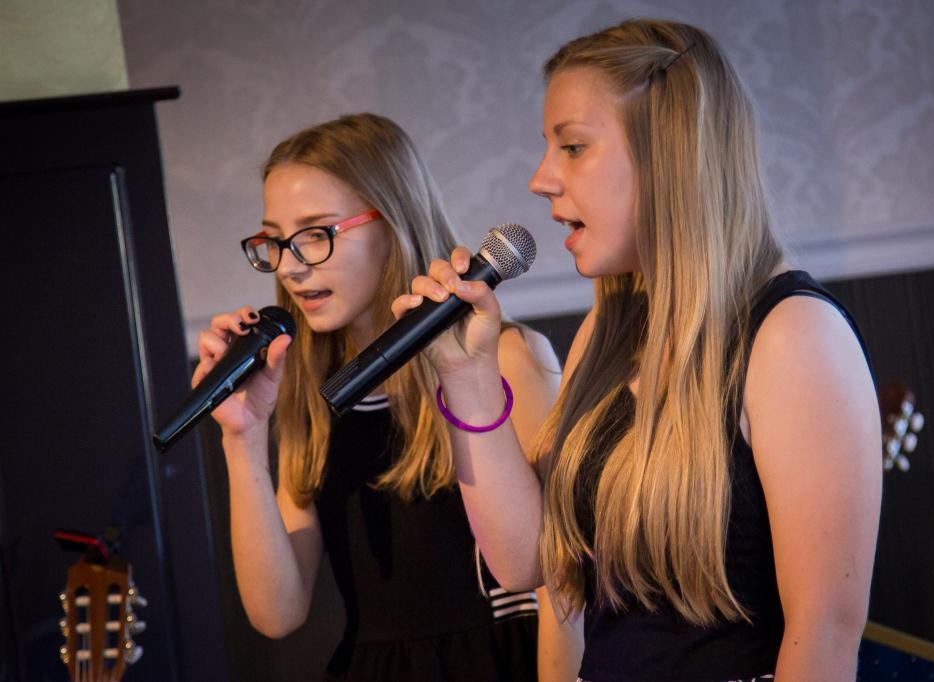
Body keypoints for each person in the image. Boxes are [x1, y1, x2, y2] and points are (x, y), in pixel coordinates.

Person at [393, 19, 882, 681]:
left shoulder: (793, 334)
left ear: (669, 155)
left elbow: (823, 633)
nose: (541, 179)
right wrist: (467, 373)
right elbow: (526, 562)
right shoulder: (611, 327)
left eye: (572, 146)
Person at [192, 113, 566, 681]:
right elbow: (277, 613)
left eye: (316, 234)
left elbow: (563, 583)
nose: (290, 267)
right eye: (276, 241)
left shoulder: (506, 359)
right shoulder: (308, 389)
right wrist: (240, 438)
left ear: (393, 222)